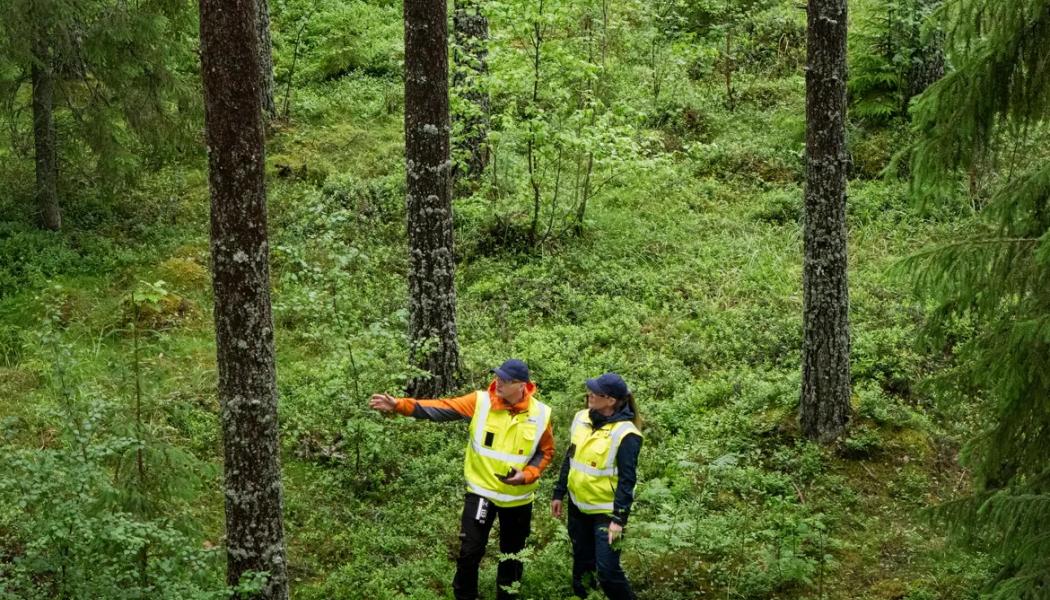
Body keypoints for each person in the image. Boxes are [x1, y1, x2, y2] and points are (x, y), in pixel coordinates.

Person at [368, 358, 554, 600]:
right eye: (497, 376)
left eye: (506, 380)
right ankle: (465, 596)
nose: (498, 382)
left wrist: (527, 474)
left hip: (518, 500)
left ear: (522, 386)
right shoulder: (480, 402)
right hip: (481, 493)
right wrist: (399, 405)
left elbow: (546, 451)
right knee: (470, 550)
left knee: (514, 554)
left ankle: (508, 595)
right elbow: (440, 408)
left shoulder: (540, 414)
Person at [551, 372, 643, 600]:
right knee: (582, 566)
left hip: (606, 513)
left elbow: (627, 481)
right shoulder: (581, 417)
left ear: (610, 400)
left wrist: (619, 520)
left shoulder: (626, 434)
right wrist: (559, 492)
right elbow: (570, 457)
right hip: (577, 506)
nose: (589, 395)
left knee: (608, 571)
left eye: (596, 392)